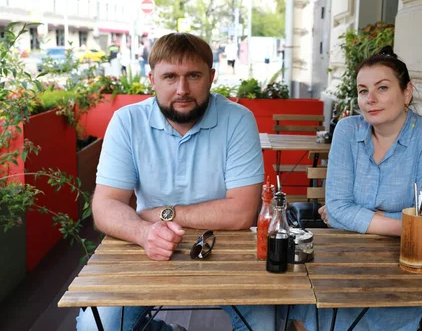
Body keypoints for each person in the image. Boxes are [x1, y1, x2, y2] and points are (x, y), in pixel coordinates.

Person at [76, 33, 275, 331]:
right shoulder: (127, 121)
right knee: (97, 327)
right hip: (148, 245)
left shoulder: (238, 119)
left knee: (264, 326)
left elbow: (242, 212)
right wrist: (144, 232)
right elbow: (105, 205)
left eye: (193, 76)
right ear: (152, 79)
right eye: (169, 76)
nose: (182, 90)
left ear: (211, 77)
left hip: (228, 248)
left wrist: (161, 213)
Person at [291, 46, 422, 330]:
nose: (370, 99)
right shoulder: (347, 130)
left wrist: (357, 217)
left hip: (406, 265)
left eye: (382, 88)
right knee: (313, 314)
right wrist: (407, 225)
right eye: (362, 90)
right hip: (343, 256)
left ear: (407, 92)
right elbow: (339, 208)